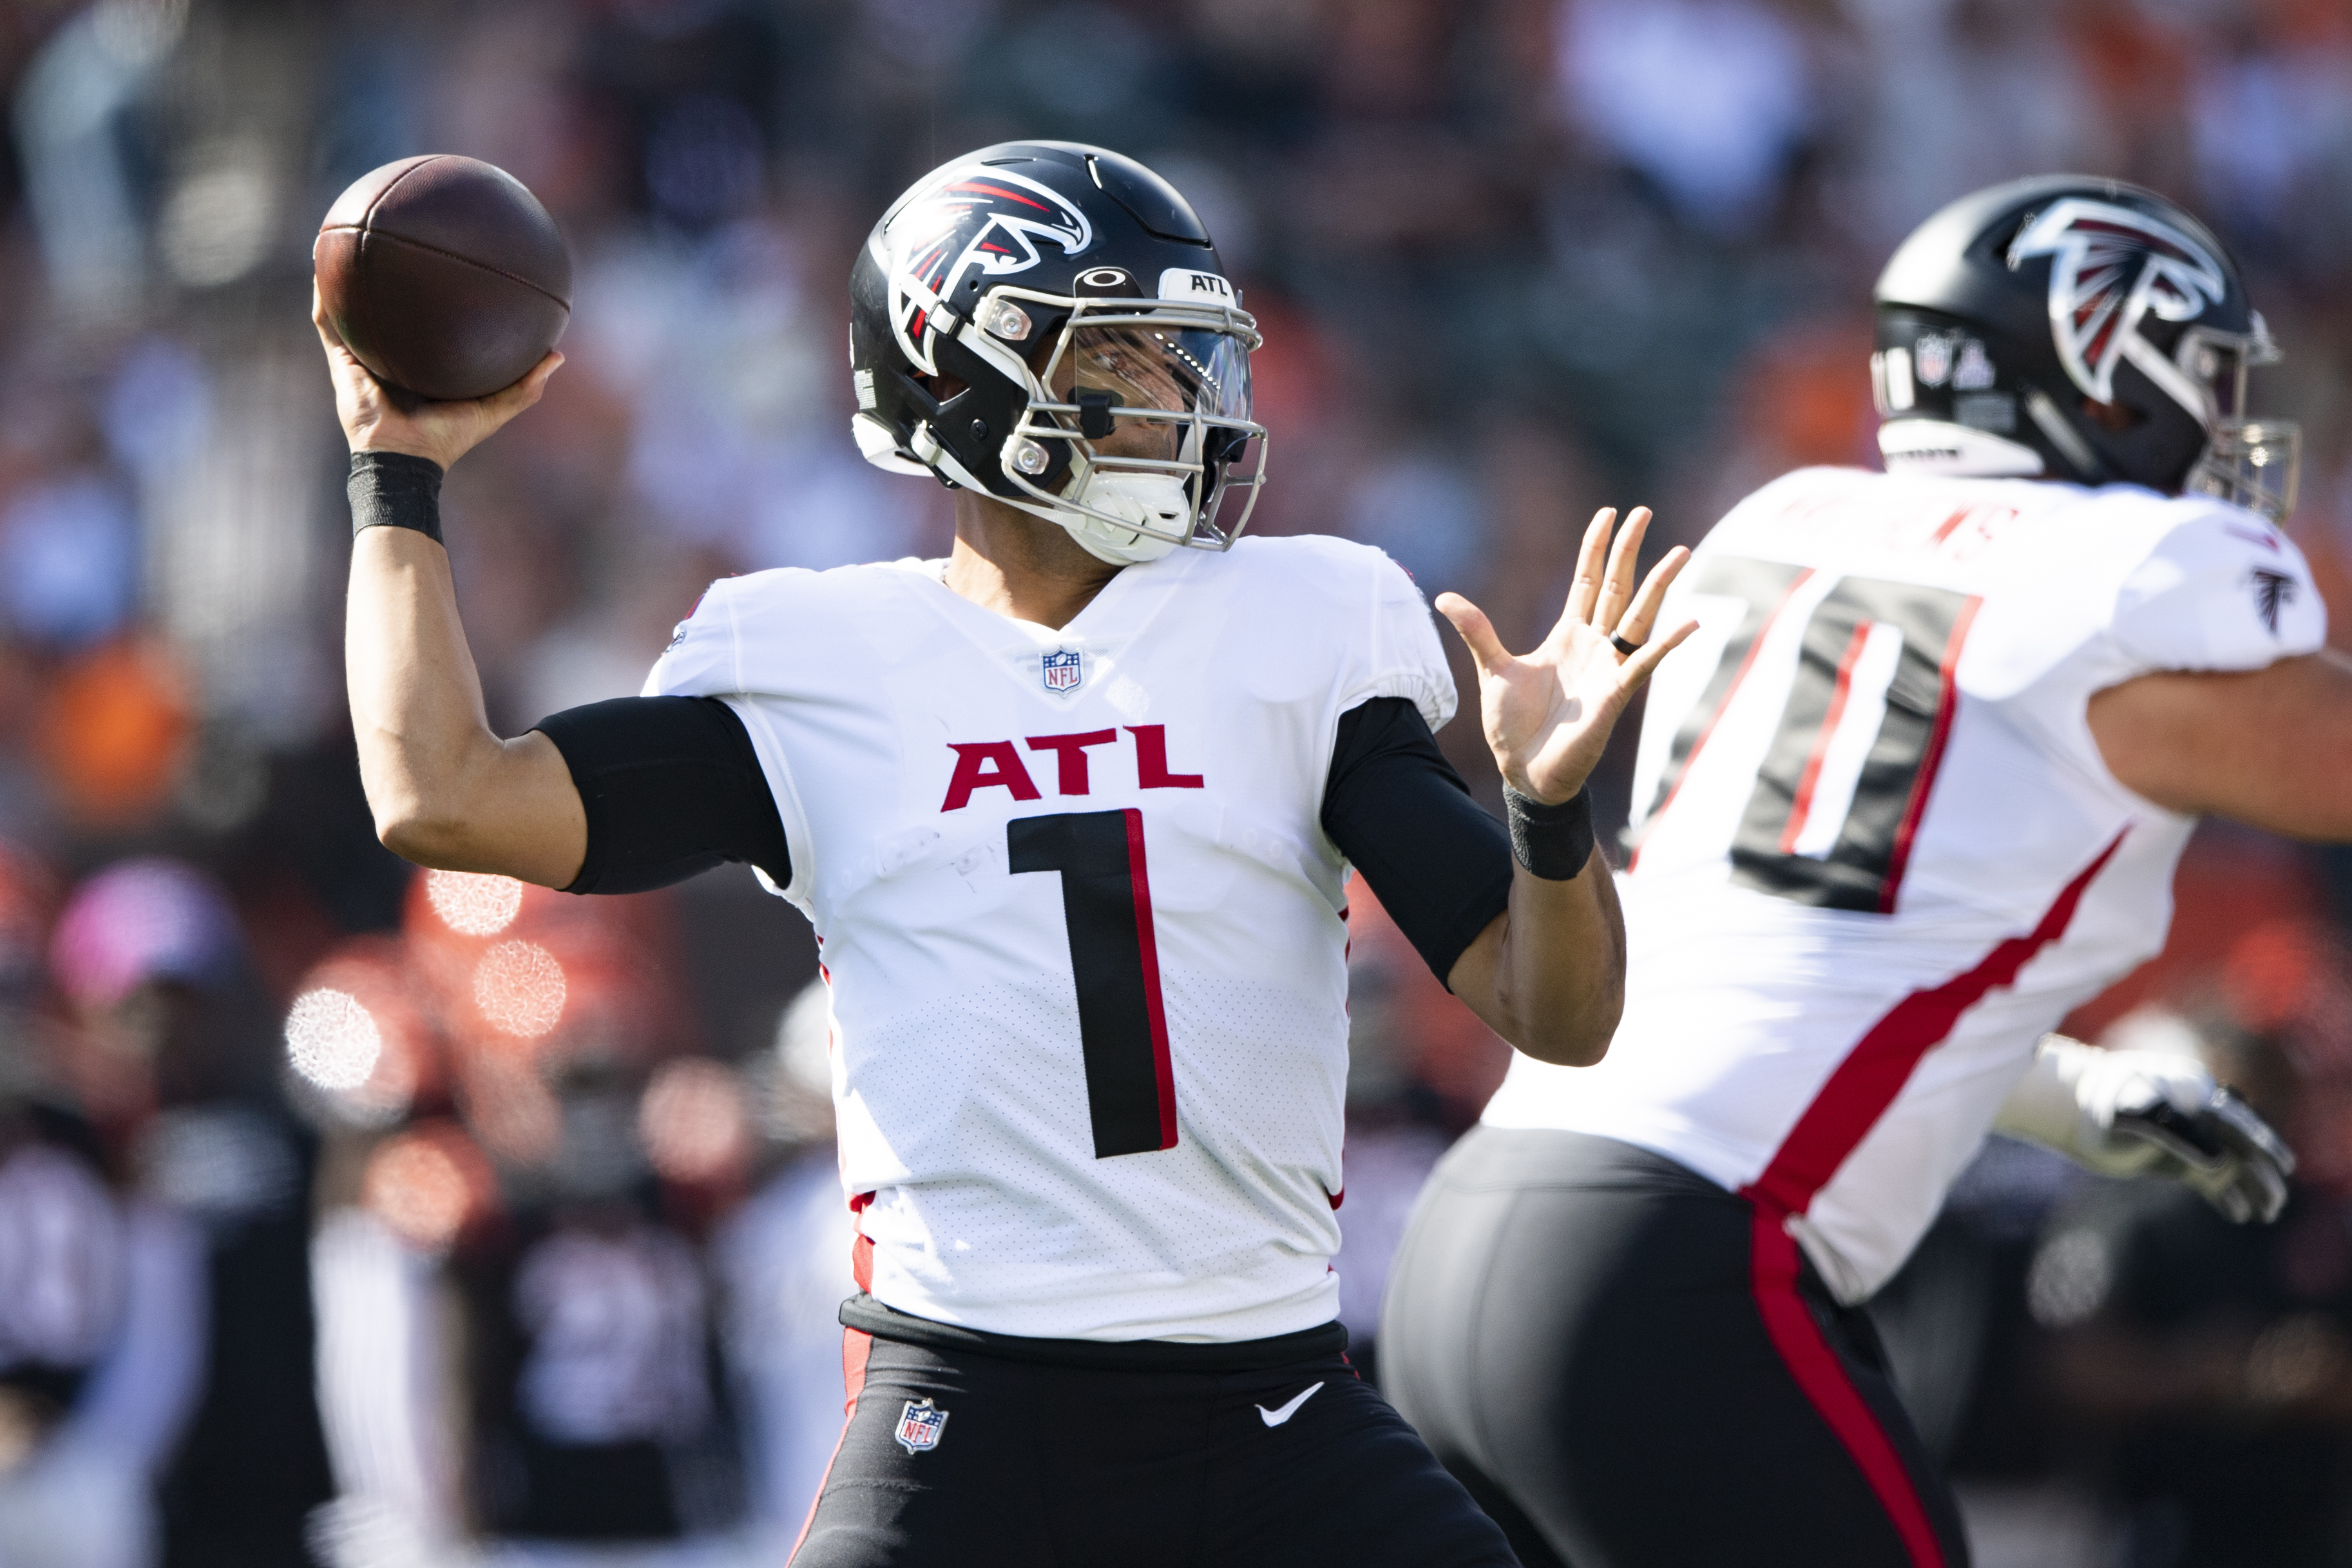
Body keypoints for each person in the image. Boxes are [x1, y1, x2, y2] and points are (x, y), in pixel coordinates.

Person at [317, 139, 1693, 1567]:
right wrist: (396, 475)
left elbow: (1561, 1012)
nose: (1186, 396)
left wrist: (1545, 809)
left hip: (1271, 1398)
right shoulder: (817, 661)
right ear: (963, 374)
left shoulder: (1304, 622)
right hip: (967, 1411)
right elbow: (442, 795)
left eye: (1183, 354)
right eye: (1131, 358)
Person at [1378, 173, 2352, 1568]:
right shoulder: (2121, 574)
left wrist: (2064, 1089)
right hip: (1682, 1270)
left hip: (1476, 1241)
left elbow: (1768, 944)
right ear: (2101, 371)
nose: (2221, 415)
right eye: (2199, 373)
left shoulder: (1787, 530)